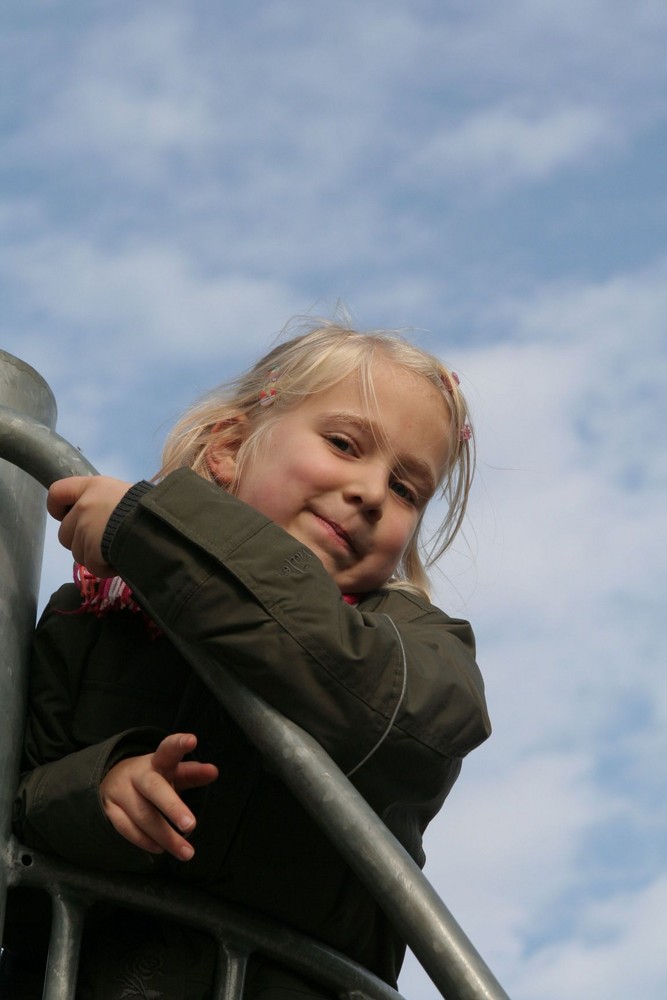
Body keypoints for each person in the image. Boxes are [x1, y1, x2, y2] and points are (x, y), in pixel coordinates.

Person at [7, 319, 491, 999]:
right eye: (344, 444)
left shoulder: (410, 639)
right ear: (229, 448)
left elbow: (405, 718)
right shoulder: (90, 617)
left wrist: (156, 531)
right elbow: (16, 794)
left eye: (407, 489)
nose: (372, 492)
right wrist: (98, 789)